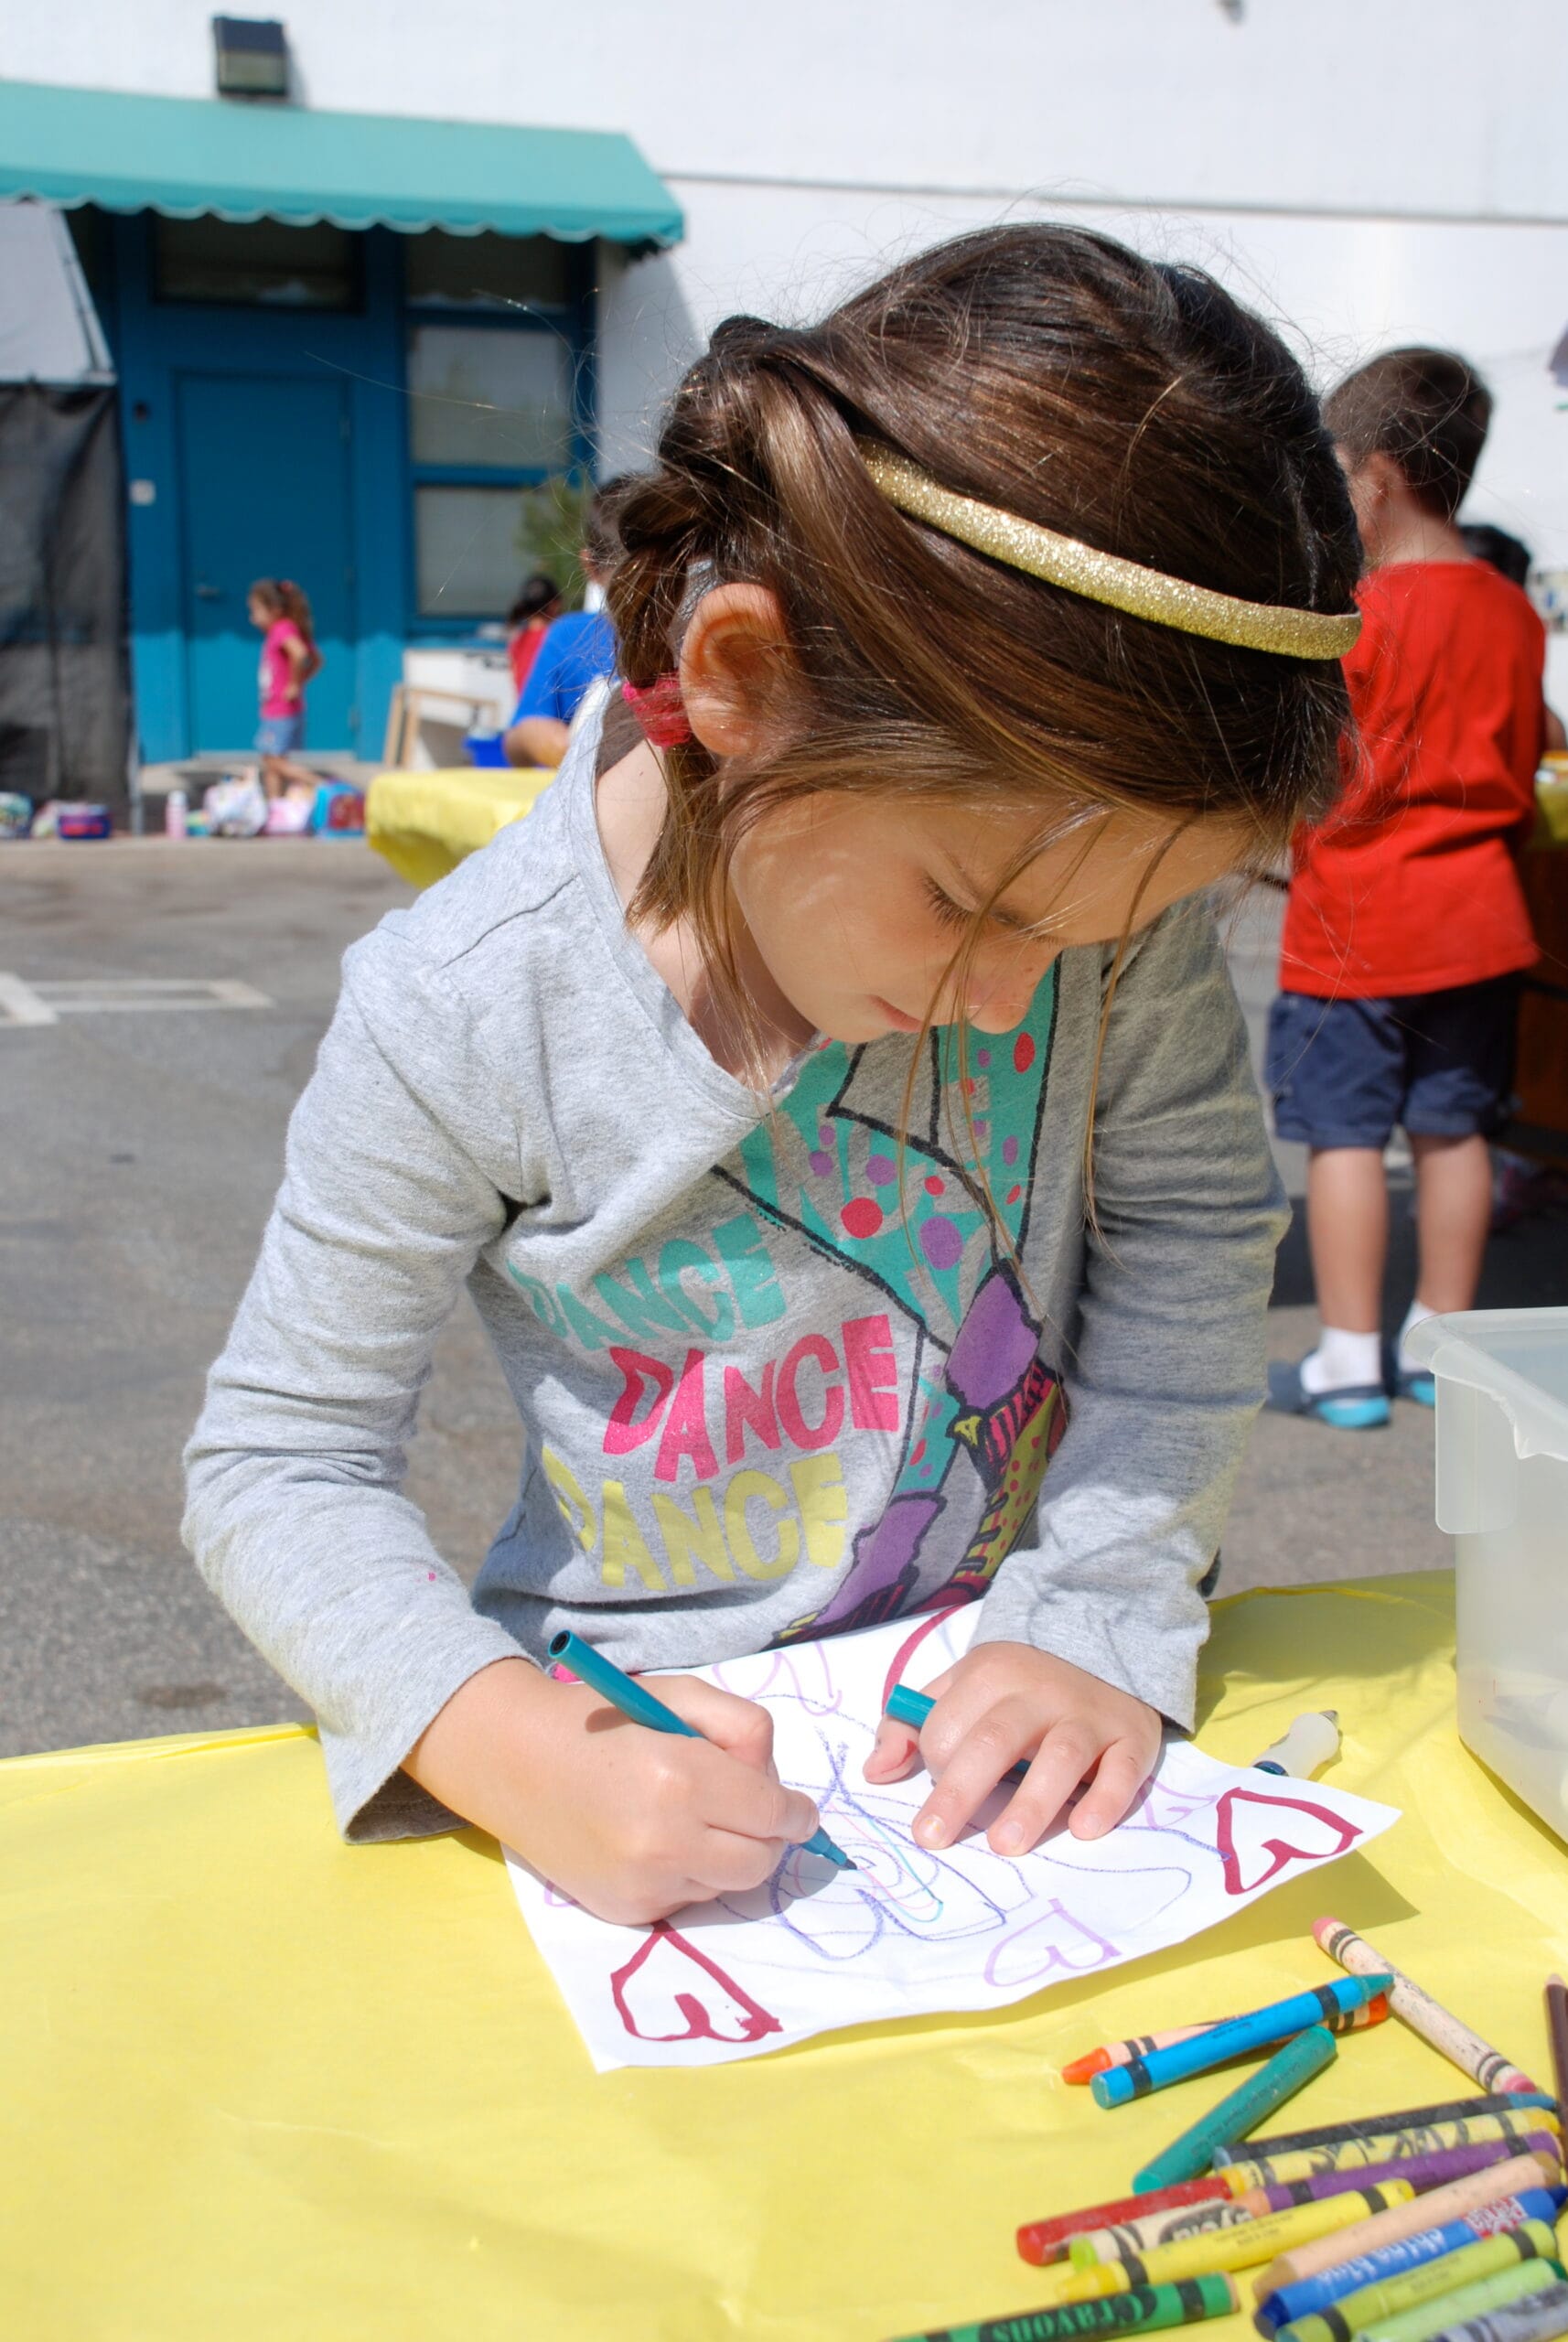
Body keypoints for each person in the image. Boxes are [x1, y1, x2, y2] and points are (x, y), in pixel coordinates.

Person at [185, 226, 1361, 1928]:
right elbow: (278, 1461)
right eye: (966, 905)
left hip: (1009, 1750)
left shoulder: (1086, 902)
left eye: (1099, 935)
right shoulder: (463, 1008)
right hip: (634, 1775)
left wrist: (1099, 1602)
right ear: (742, 681)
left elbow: (1186, 1222)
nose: (1014, 997)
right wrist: (505, 1744)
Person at [1265, 349, 1546, 1429]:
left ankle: (1346, 1361)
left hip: (1352, 930)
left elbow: (1310, 766)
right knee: (1454, 1132)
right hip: (1478, 924)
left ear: (1374, 475)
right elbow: (1526, 753)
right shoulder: (1513, 615)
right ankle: (1442, 1350)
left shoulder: (1353, 618)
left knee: (1343, 1138)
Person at [502, 482, 628, 769]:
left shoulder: (697, 642)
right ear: (591, 568)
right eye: (628, 584)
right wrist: (539, 736)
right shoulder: (570, 636)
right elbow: (516, 739)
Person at [247, 578, 322, 800]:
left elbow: (300, 654)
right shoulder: (291, 628)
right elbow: (317, 660)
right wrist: (300, 682)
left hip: (281, 710)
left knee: (273, 762)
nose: (252, 618)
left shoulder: (282, 630)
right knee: (272, 764)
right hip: (280, 709)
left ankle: (323, 785)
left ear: (275, 610)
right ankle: (275, 806)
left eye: (256, 611)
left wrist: (293, 684)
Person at [505, 574, 562, 697]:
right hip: (551, 714)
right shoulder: (558, 638)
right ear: (554, 605)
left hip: (525, 713)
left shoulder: (517, 640)